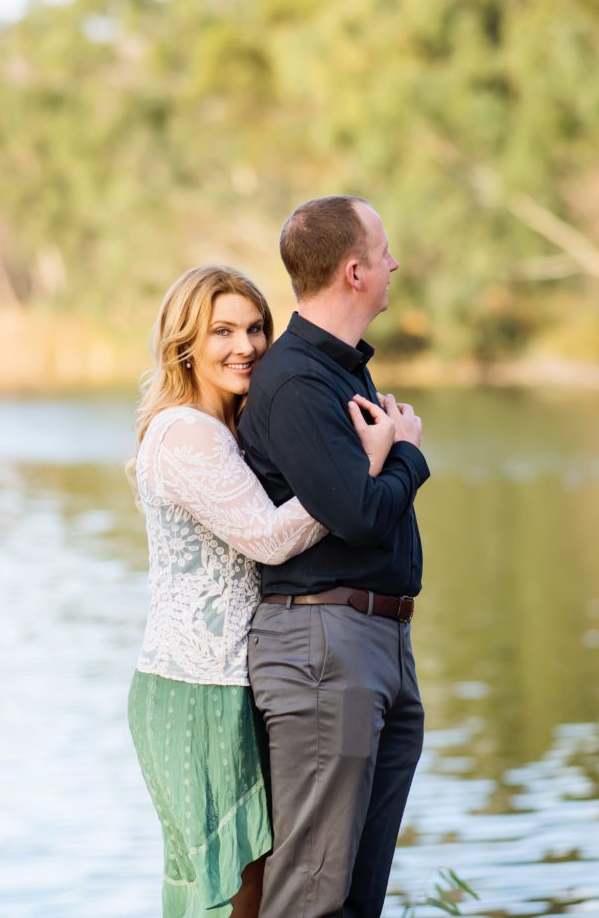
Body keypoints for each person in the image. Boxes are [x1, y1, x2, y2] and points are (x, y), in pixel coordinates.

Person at [128, 264, 397, 918]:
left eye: (255, 328)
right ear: (185, 342)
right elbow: (271, 538)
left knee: (253, 885)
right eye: (222, 330)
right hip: (196, 688)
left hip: (236, 682)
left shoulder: (229, 430)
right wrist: (363, 466)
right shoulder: (185, 431)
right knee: (228, 891)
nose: (245, 345)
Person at [238, 196, 430, 918]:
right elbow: (354, 514)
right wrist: (408, 454)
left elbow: (363, 507)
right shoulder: (294, 383)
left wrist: (389, 462)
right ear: (354, 271)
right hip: (325, 644)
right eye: (384, 251)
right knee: (310, 896)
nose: (394, 263)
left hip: (377, 642)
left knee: (354, 898)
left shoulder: (340, 373)